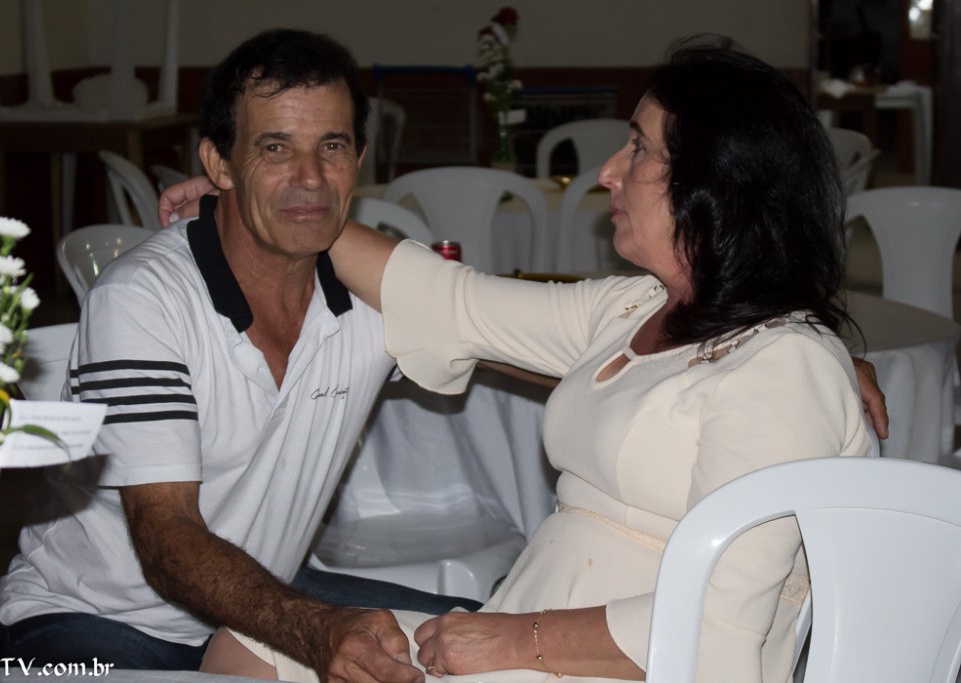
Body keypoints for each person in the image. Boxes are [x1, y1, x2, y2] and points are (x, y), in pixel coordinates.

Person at [178, 38, 880, 682]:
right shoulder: (634, 308)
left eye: (639, 150)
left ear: (714, 184)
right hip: (516, 635)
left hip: (621, 664)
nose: (608, 172)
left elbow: (716, 627)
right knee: (251, 648)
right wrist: (275, 204)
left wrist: (516, 639)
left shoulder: (785, 365)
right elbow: (453, 304)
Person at [0, 28, 472, 682]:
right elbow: (165, 539)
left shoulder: (372, 299)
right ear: (218, 164)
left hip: (256, 599)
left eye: (331, 147)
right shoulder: (144, 299)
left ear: (358, 159)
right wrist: (314, 628)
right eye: (275, 148)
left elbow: (513, 338)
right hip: (94, 620)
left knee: (487, 642)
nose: (310, 177)